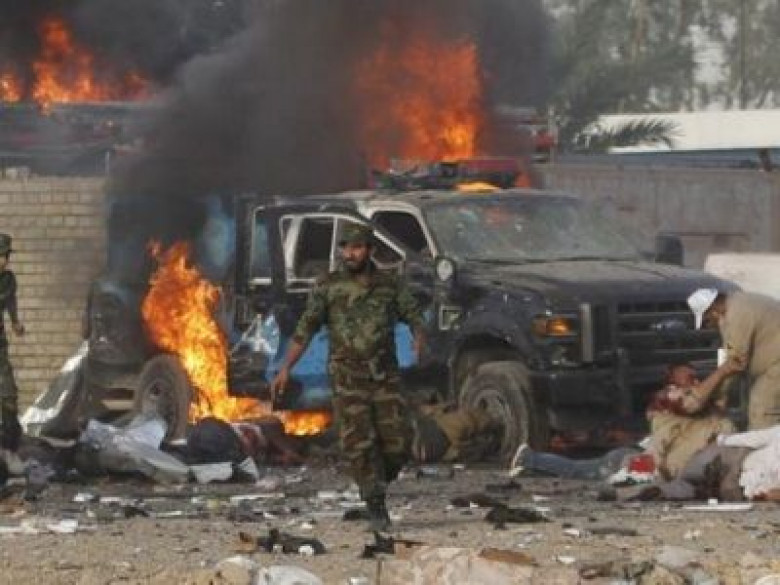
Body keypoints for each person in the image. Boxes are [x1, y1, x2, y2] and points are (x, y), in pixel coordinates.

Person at [270, 224, 425, 531]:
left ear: (370, 250)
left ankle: (376, 483)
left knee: (398, 443)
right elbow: (305, 328)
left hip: (385, 376)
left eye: (356, 247)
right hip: (347, 377)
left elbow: (414, 316)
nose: (349, 254)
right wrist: (286, 367)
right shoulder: (328, 286)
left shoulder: (389, 284)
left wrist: (419, 338)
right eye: (345, 248)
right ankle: (375, 505)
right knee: (359, 442)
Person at [510, 362, 737, 481]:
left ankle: (531, 466)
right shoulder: (667, 407)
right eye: (689, 381)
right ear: (672, 387)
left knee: (581, 470)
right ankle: (529, 459)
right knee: (579, 470)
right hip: (632, 460)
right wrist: (650, 473)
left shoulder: (696, 417)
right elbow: (658, 448)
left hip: (636, 454)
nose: (696, 385)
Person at [688, 288, 780, 429]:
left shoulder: (737, 314)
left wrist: (719, 395)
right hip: (774, 361)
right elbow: (730, 352)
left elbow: (736, 361)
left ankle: (765, 442)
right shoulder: (737, 304)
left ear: (713, 310)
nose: (709, 326)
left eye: (707, 320)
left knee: (762, 408)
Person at [0, 233, 25, 476]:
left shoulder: (7, 280)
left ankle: (9, 449)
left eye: (6, 256)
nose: (4, 261)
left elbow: (10, 302)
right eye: (0, 256)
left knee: (8, 396)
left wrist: (15, 322)